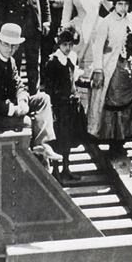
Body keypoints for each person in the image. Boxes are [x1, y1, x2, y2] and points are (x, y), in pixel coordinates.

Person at [0, 22, 60, 165]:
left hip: (6, 108)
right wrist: (14, 110)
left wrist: (22, 100)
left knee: (44, 99)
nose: (10, 49)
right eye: (7, 44)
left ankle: (41, 144)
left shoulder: (12, 62)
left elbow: (18, 85)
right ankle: (32, 155)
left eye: (14, 46)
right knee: (27, 121)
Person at [87, 0, 132, 154]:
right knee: (113, 100)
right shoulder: (106, 22)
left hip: (129, 69)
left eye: (126, 4)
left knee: (129, 101)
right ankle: (112, 139)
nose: (123, 8)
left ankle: (123, 138)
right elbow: (97, 46)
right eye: (120, 4)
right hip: (112, 67)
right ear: (114, 4)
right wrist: (98, 68)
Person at [43, 27, 87, 183]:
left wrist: (87, 84)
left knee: (68, 137)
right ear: (58, 45)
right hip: (58, 106)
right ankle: (56, 171)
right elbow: (48, 88)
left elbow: (73, 79)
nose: (67, 48)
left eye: (70, 45)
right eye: (64, 45)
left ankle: (66, 168)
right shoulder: (52, 62)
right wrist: (51, 109)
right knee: (57, 137)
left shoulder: (71, 58)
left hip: (70, 105)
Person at [60, 0, 110, 95]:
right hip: (78, 31)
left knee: (95, 65)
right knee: (76, 67)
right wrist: (64, 34)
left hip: (97, 29)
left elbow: (111, 8)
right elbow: (65, 16)